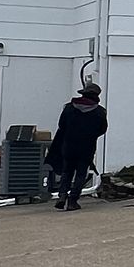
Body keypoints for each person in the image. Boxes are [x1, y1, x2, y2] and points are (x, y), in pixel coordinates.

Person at [48, 82, 108, 210]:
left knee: (67, 172)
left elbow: (61, 125)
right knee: (81, 174)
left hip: (68, 146)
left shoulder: (69, 108)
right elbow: (102, 129)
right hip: (86, 147)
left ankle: (62, 195)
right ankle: (72, 201)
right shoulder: (100, 112)